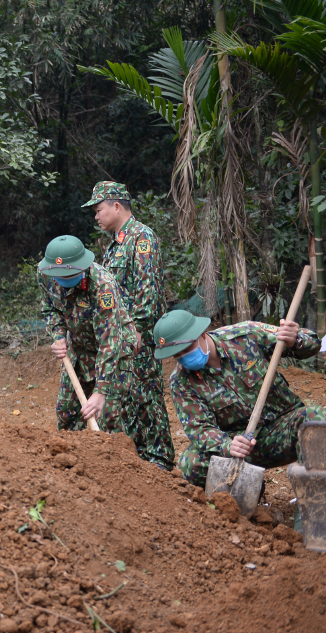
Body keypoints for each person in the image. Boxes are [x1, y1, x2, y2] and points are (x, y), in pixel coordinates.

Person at [153, 309, 326, 486]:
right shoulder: (181, 382)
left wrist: (295, 340)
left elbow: (312, 343)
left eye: (186, 348)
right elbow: (200, 429)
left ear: (202, 334)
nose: (184, 357)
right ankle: (248, 491)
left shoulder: (246, 336)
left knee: (317, 419)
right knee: (190, 463)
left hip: (284, 431)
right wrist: (226, 445)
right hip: (240, 448)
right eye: (177, 354)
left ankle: (313, 498)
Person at [83, 181, 175, 469]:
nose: (96, 217)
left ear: (117, 206)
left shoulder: (141, 238)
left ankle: (159, 458)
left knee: (147, 397)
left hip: (140, 336)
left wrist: (135, 329)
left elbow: (149, 292)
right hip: (120, 338)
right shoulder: (115, 245)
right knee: (127, 399)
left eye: (98, 210)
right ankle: (137, 458)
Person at [38, 235, 152, 458]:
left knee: (107, 416)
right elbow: (50, 309)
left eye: (70, 275)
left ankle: (116, 467)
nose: (63, 279)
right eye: (59, 276)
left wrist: (100, 391)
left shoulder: (102, 286)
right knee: (66, 413)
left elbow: (109, 342)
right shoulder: (46, 273)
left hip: (115, 349)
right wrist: (59, 336)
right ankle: (73, 465)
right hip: (79, 348)